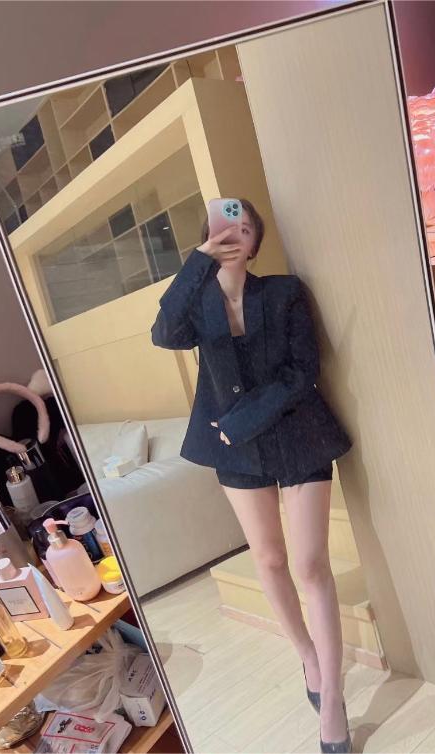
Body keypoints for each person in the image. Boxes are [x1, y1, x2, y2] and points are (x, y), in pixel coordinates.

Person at [151, 198, 353, 752]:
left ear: (256, 241)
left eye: (242, 228)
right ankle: (309, 658)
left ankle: (333, 697)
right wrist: (198, 262)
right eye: (222, 228)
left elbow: (303, 372)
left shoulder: (284, 292)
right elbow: (164, 333)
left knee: (311, 564)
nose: (232, 235)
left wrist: (241, 421)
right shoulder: (196, 305)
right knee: (268, 559)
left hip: (298, 434)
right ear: (207, 238)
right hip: (237, 455)